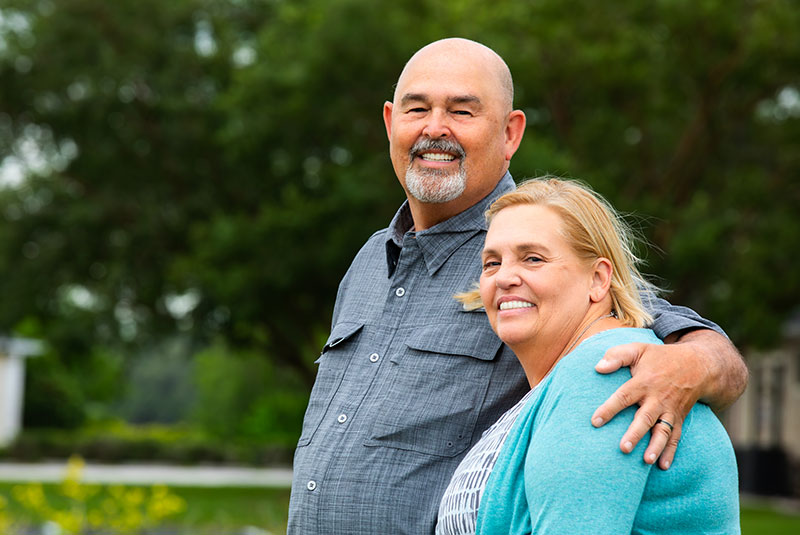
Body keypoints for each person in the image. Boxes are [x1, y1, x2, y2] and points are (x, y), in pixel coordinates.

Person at [287, 38, 747, 534]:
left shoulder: (539, 255)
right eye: (417, 108)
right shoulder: (368, 260)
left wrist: (691, 364)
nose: (434, 127)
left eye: (462, 111)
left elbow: (648, 332)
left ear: (510, 133)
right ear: (389, 123)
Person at [436, 177, 739, 534]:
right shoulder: (576, 375)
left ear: (598, 279)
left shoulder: (605, 371)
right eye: (491, 263)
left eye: (532, 258)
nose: (504, 277)